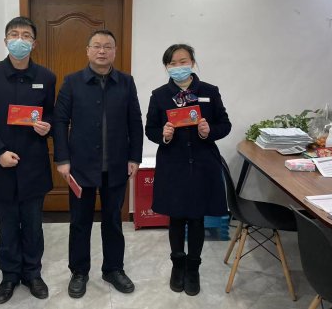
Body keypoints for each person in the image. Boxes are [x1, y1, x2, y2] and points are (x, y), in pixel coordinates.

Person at [53, 29, 144, 299]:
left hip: (116, 165)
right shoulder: (72, 82)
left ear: (115, 51)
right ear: (87, 51)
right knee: (80, 221)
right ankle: (79, 272)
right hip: (80, 166)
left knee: (113, 220)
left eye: (107, 46)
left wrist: (134, 157)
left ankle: (113, 269)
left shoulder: (126, 82)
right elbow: (60, 121)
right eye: (96, 46)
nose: (102, 51)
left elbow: (135, 122)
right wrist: (62, 159)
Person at [0, 16, 56, 304]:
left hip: (33, 164)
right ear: (5, 40)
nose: (20, 40)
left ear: (35, 43)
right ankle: (9, 276)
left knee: (33, 225)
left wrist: (47, 126)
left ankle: (33, 274)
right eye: (14, 34)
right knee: (7, 225)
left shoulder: (46, 77)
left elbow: (50, 115)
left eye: (26, 35)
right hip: (0, 164)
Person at [145, 44, 231, 296]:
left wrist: (209, 131)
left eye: (183, 61)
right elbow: (150, 130)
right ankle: (177, 265)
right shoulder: (159, 95)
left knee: (196, 218)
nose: (178, 67)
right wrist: (163, 134)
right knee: (176, 216)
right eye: (172, 63)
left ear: (192, 62)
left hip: (203, 164)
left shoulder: (209, 92)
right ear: (166, 67)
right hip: (173, 164)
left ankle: (193, 268)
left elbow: (224, 124)